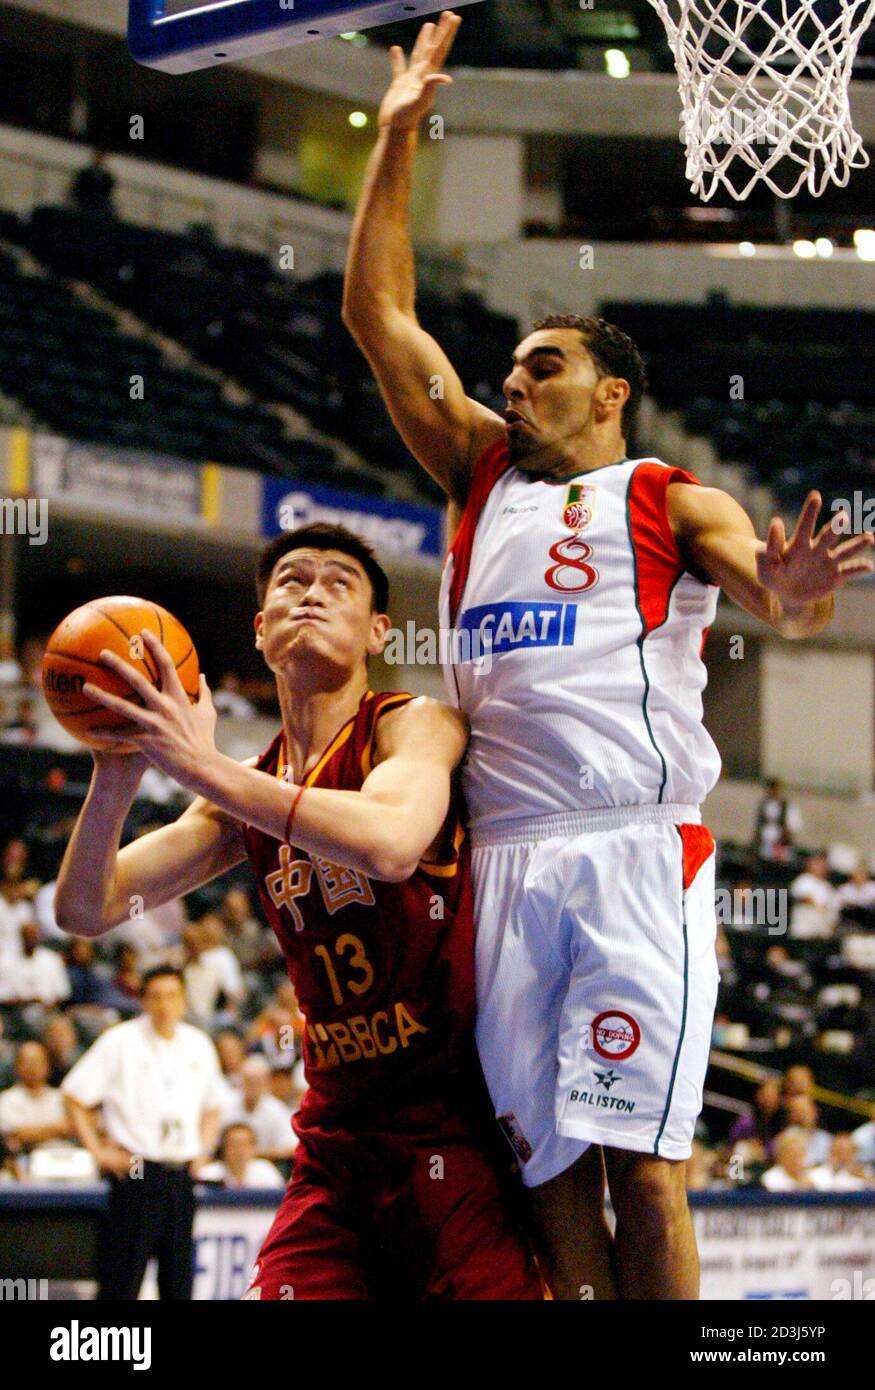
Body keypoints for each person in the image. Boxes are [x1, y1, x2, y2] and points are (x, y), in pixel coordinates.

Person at [339, 9, 875, 1300]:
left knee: (644, 1171)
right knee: (547, 1179)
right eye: (508, 368)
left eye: (541, 366)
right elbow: (376, 311)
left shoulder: (665, 495)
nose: (509, 383)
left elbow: (777, 604)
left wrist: (794, 596)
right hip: (506, 855)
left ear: (606, 391)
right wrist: (398, 130)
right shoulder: (475, 472)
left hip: (633, 846)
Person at [53, 523, 542, 1300]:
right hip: (336, 1141)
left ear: (379, 630)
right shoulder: (243, 787)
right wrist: (118, 771)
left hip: (456, 1124)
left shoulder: (411, 725)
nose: (311, 590)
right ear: (258, 628)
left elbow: (389, 843)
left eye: (338, 581)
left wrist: (204, 769)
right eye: (290, 580)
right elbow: (85, 908)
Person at [60, 967, 224, 1300]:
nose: (165, 1005)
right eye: (157, 996)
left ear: (183, 1000)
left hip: (181, 1175)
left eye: (172, 996)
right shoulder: (120, 1040)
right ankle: (109, 1349)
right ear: (143, 1001)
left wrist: (204, 1148)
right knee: (122, 1278)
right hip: (136, 1170)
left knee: (178, 1283)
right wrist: (97, 1150)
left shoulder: (198, 1043)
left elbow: (214, 1105)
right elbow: (74, 1096)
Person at [0, 1040, 70, 1158]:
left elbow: (73, 1128)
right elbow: (16, 1135)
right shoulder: (6, 1100)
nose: (33, 1067)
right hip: (27, 1159)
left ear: (48, 1065)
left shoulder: (61, 1097)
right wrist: (59, 1129)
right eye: (28, 1062)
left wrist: (35, 1132)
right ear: (17, 1066)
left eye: (38, 1062)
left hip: (66, 1156)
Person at [220, 1055, 297, 1162]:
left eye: (256, 1081)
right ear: (240, 1081)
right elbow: (217, 1143)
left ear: (266, 1083)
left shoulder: (276, 1109)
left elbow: (290, 1148)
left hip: (267, 1164)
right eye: (247, 1081)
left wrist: (255, 1154)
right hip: (231, 1164)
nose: (252, 1086)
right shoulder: (226, 1105)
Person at [199, 1122, 285, 1190]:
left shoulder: (265, 1170)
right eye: (233, 1144)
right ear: (223, 1148)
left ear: (254, 1148)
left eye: (243, 1145)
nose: (239, 1150)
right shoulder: (209, 1174)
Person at [789, 854, 839, 939]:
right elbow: (804, 898)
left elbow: (833, 906)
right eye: (818, 864)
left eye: (823, 865)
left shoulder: (827, 886)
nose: (821, 868)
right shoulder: (803, 880)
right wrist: (819, 908)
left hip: (823, 923)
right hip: (806, 921)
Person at [752, 778, 802, 861]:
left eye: (775, 789)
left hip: (781, 848)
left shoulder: (789, 807)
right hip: (764, 847)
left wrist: (781, 841)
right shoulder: (763, 805)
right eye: (770, 789)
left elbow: (794, 828)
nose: (772, 791)